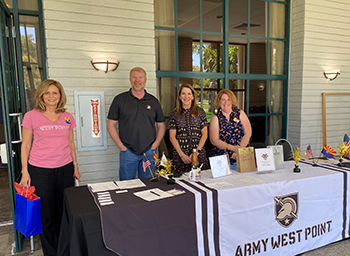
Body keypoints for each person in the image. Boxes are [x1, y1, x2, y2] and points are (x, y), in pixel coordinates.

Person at [20, 79, 81, 256]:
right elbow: (25, 145)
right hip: (40, 170)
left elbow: (71, 144)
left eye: (55, 92)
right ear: (41, 95)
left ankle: (66, 249)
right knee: (47, 214)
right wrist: (25, 171)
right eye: (47, 93)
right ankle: (52, 252)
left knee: (64, 211)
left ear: (60, 95)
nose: (51, 96)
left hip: (65, 169)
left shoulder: (68, 117)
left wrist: (75, 167)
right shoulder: (31, 116)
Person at [107, 67, 165, 180]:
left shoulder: (154, 101)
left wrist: (155, 145)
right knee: (126, 187)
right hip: (128, 152)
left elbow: (161, 126)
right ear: (130, 79)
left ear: (145, 80)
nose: (137, 80)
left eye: (140, 77)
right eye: (134, 77)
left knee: (149, 186)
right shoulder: (120, 100)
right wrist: (121, 146)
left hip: (149, 152)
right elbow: (111, 125)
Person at [169, 84, 209, 175]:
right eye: (183, 94)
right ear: (179, 96)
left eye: (189, 94)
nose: (186, 96)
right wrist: (182, 155)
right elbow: (172, 137)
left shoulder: (200, 112)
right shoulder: (174, 114)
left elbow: (205, 134)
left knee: (202, 184)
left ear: (193, 96)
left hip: (199, 156)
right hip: (180, 157)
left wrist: (196, 153)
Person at [209, 89, 252, 170]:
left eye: (229, 99)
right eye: (223, 100)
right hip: (223, 159)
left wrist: (238, 151)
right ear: (219, 102)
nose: (226, 102)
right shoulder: (216, 118)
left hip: (242, 157)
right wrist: (232, 148)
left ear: (232, 101)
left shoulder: (240, 113)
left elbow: (248, 133)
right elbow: (214, 140)